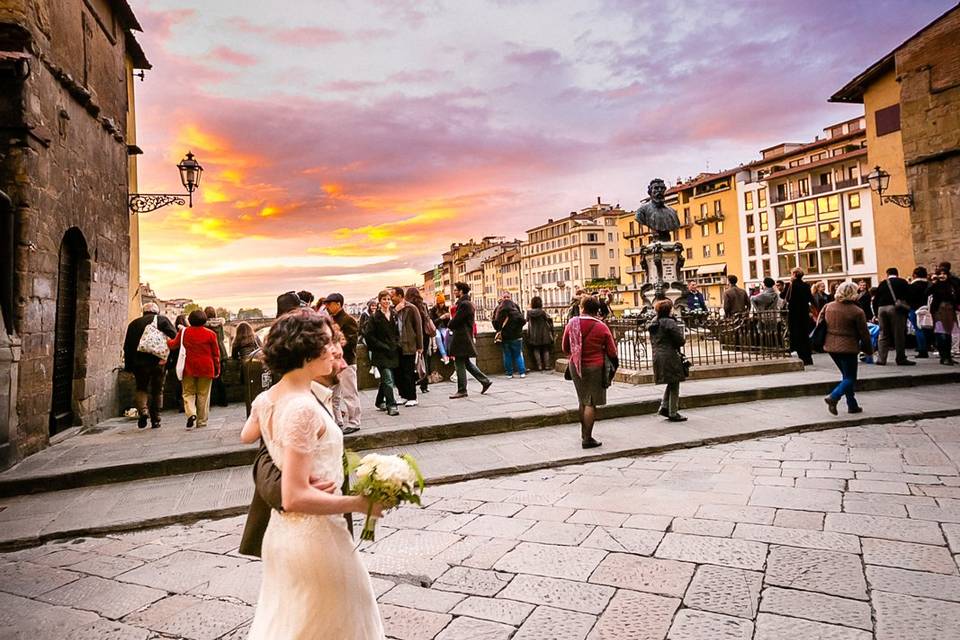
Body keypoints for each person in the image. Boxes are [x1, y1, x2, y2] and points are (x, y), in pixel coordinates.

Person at [239, 309, 385, 639]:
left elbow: (247, 435)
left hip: (281, 537)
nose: (335, 349)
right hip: (315, 540)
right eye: (327, 342)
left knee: (292, 623)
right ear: (306, 352)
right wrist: (359, 503)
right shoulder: (303, 407)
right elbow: (293, 496)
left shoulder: (268, 398)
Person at [562, 296, 617, 447]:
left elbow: (565, 347)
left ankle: (583, 433)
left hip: (576, 365)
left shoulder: (572, 323)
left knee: (582, 399)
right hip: (595, 366)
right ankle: (588, 438)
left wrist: (575, 355)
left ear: (582, 307)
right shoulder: (601, 326)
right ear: (596, 309)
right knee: (591, 402)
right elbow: (612, 351)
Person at [820, 282, 873, 415]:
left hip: (830, 346)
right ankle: (833, 396)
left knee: (846, 376)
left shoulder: (828, 306)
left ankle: (852, 405)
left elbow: (820, 323)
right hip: (848, 346)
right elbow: (864, 333)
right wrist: (868, 350)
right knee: (850, 378)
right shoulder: (857, 311)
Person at [123, 302, 177, 429]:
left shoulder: (134, 324)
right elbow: (175, 338)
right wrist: (170, 360)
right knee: (157, 390)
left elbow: (128, 347)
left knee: (141, 388)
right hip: (159, 362)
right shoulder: (162, 320)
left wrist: (129, 366)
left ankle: (143, 411)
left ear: (144, 312)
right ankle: (156, 419)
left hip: (139, 364)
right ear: (156, 312)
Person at [165, 309, 221, 429]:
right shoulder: (211, 334)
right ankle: (201, 421)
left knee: (188, 393)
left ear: (190, 320)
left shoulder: (184, 332)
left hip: (188, 367)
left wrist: (166, 340)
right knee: (203, 395)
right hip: (206, 367)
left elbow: (173, 345)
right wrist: (217, 369)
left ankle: (191, 413)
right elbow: (216, 354)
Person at [325, 293, 361, 434]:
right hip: (335, 363)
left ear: (338, 304)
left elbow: (352, 341)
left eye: (330, 304)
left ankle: (354, 421)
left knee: (349, 393)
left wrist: (334, 345)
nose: (327, 306)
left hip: (347, 361)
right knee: (333, 394)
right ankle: (337, 420)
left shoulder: (348, 320)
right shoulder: (332, 320)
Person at [448, 282, 492, 398]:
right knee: (466, 363)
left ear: (461, 291)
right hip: (465, 336)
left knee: (459, 363)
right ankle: (485, 381)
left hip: (461, 337)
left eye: (456, 290)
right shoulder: (467, 303)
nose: (454, 292)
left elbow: (456, 321)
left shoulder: (464, 305)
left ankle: (462, 390)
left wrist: (450, 323)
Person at [648, 299, 687, 422]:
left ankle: (664, 407)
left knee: (672, 381)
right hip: (670, 355)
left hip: (658, 355)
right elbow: (680, 340)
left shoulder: (654, 322)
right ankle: (673, 412)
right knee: (675, 383)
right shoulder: (669, 323)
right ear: (669, 310)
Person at [363, 290, 401, 416]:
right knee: (388, 378)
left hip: (392, 351)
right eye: (384, 299)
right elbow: (369, 336)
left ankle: (379, 401)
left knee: (387, 379)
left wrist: (396, 343)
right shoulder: (375, 317)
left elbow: (397, 332)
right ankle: (392, 405)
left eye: (388, 299)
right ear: (379, 301)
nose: (386, 301)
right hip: (380, 353)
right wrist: (382, 346)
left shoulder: (394, 314)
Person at [873, 267, 915, 366]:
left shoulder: (882, 283)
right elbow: (909, 295)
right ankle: (900, 358)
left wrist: (876, 313)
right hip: (895, 309)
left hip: (881, 309)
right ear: (897, 273)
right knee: (898, 334)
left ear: (887, 274)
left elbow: (875, 299)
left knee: (883, 334)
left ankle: (881, 359)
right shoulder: (902, 282)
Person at [390, 286, 423, 407]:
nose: (391, 298)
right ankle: (403, 395)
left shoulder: (411, 308)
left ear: (399, 296)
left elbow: (418, 327)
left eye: (392, 295)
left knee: (408, 372)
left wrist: (420, 346)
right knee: (398, 372)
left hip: (409, 344)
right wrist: (395, 311)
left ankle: (412, 397)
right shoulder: (392, 310)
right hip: (396, 346)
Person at [783, 267, 814, 366]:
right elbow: (810, 298)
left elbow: (784, 297)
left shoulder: (791, 285)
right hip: (804, 313)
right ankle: (808, 358)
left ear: (794, 274)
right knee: (805, 335)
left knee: (797, 335)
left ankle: (802, 357)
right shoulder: (806, 285)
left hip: (794, 314)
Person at [404, 287, 433, 393]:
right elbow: (428, 319)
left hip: (413, 335)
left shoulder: (408, 307)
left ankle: (413, 382)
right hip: (425, 335)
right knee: (423, 358)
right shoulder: (423, 305)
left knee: (411, 360)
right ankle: (424, 385)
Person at [928, 265, 959, 365]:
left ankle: (948, 356)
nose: (942, 276)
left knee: (949, 334)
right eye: (940, 274)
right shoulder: (936, 285)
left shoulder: (952, 284)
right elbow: (927, 292)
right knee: (941, 334)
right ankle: (944, 356)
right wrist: (934, 282)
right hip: (939, 311)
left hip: (950, 310)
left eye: (944, 273)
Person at [492, 292, 527, 378]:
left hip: (505, 336)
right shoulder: (515, 307)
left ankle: (509, 373)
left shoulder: (498, 309)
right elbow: (523, 321)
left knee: (507, 355)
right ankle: (522, 372)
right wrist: (518, 328)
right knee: (518, 354)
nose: (506, 298)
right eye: (505, 297)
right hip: (517, 335)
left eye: (507, 297)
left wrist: (499, 329)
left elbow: (495, 322)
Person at [204, 306, 230, 407]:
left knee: (209, 378)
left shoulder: (205, 326)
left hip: (210, 352)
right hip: (221, 351)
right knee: (221, 377)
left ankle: (210, 402)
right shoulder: (219, 324)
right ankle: (223, 401)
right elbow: (222, 337)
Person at [525, 296, 555, 372]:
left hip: (533, 334)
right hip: (544, 333)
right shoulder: (542, 312)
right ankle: (547, 366)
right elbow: (548, 320)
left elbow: (527, 320)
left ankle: (539, 366)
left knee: (536, 350)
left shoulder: (529, 312)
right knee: (545, 350)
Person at [166, 314, 188, 412]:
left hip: (176, 362)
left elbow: (172, 348)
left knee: (178, 384)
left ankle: (181, 403)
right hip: (188, 361)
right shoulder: (188, 333)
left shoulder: (174, 334)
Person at [908, 266, 931, 358]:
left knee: (918, 329)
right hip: (927, 308)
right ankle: (928, 345)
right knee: (927, 328)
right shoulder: (929, 284)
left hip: (915, 309)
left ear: (915, 275)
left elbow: (909, 297)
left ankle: (922, 350)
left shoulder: (913, 286)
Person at [430, 293, 451, 365]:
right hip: (435, 327)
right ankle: (444, 355)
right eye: (440, 303)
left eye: (443, 303)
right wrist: (441, 318)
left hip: (443, 327)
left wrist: (448, 318)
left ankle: (446, 354)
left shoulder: (446, 308)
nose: (442, 304)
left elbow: (448, 323)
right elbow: (433, 322)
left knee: (446, 336)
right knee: (438, 337)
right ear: (437, 303)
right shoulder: (433, 310)